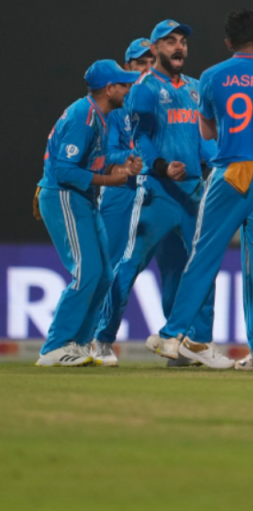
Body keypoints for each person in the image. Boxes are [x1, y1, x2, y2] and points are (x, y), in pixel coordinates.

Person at [148, 9, 253, 372]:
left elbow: (207, 133)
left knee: (204, 256)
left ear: (227, 42)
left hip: (232, 173)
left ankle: (173, 334)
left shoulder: (212, 76)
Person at [94, 20, 229, 369]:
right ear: (156, 50)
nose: (179, 47)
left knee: (203, 266)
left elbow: (206, 139)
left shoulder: (197, 88)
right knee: (128, 266)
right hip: (157, 192)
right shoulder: (143, 89)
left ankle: (198, 343)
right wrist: (160, 166)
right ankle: (102, 338)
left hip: (194, 193)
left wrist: (224, 164)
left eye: (183, 41)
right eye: (170, 42)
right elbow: (141, 136)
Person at [34, 60, 142, 366]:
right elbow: (64, 170)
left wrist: (122, 167)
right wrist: (111, 179)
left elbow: (93, 161)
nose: (128, 88)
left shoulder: (100, 115)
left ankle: (79, 343)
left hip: (82, 197)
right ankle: (55, 347)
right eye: (123, 84)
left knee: (105, 274)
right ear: (109, 89)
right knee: (87, 271)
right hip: (64, 196)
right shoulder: (84, 115)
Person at [91, 37, 190, 368]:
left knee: (175, 269)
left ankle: (176, 343)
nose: (147, 66)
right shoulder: (115, 107)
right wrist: (132, 157)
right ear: (128, 67)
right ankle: (100, 338)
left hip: (161, 191)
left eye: (151, 60)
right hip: (122, 193)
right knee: (118, 267)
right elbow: (100, 154)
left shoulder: (165, 98)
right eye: (140, 62)